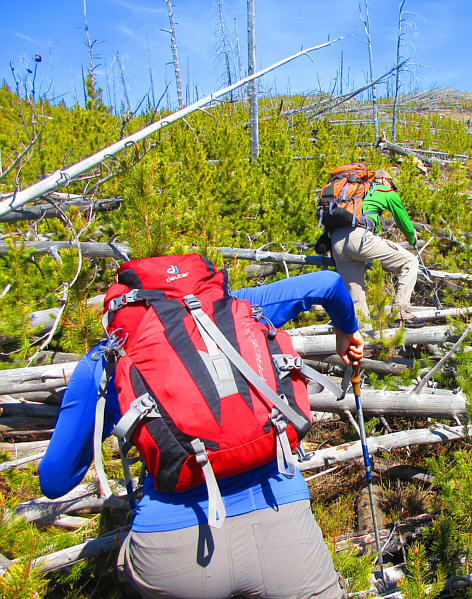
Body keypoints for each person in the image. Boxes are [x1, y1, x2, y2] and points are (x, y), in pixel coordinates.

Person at [39, 270, 364, 599]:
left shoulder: (110, 354)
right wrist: (346, 331)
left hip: (173, 554)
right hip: (284, 534)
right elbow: (329, 283)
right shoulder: (239, 307)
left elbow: (55, 481)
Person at [329, 168, 420, 326]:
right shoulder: (385, 190)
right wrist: (412, 238)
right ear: (385, 180)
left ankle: (361, 336)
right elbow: (403, 220)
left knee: (356, 296)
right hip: (359, 239)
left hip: (336, 242)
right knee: (410, 262)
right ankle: (401, 312)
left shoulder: (353, 193)